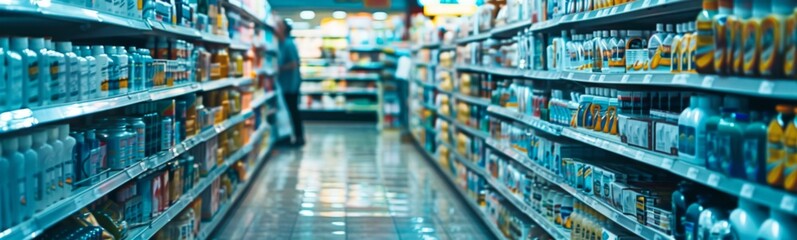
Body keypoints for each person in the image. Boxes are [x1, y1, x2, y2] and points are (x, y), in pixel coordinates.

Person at [277, 19, 305, 146]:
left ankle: (299, 138)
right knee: (289, 111)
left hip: (291, 85)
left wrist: (279, 68)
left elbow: (294, 63)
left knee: (293, 111)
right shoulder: (281, 44)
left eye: (279, 26)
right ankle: (289, 136)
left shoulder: (288, 44)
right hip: (284, 85)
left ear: (284, 29)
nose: (276, 28)